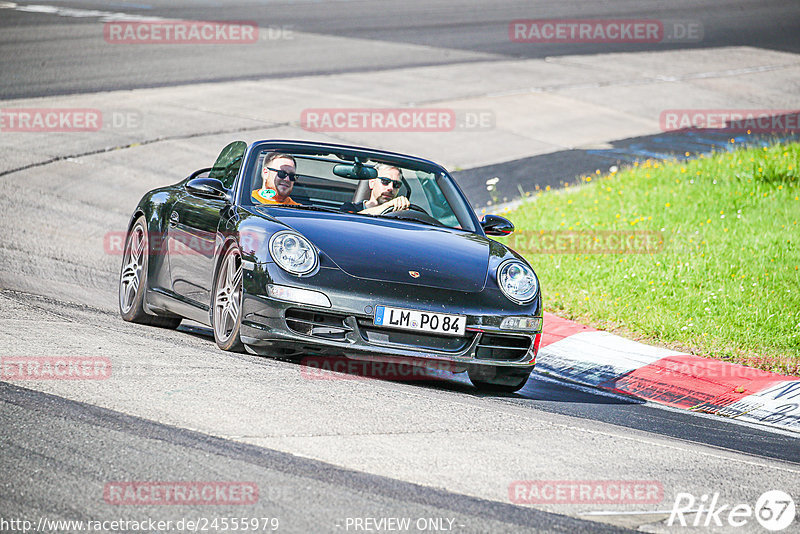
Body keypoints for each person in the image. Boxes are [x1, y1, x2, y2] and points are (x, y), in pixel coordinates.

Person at [341, 164, 410, 214]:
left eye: (396, 184)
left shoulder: (399, 215)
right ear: (372, 182)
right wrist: (387, 206)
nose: (390, 188)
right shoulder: (350, 207)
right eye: (385, 181)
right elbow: (351, 220)